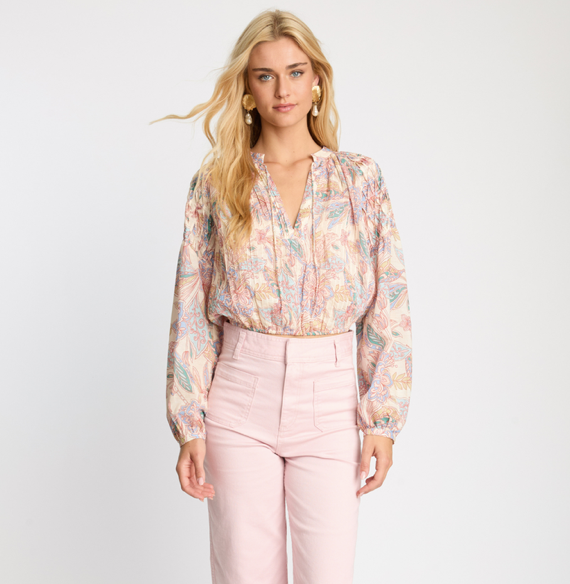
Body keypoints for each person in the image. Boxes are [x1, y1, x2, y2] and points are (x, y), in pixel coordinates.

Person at [154, 9, 412, 584]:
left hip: (330, 401)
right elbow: (192, 309)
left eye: (295, 72)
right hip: (239, 396)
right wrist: (189, 423)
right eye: (265, 75)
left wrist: (383, 419)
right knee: (244, 574)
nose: (282, 89)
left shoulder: (359, 180)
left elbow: (389, 304)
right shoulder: (218, 183)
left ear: (317, 80)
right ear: (247, 88)